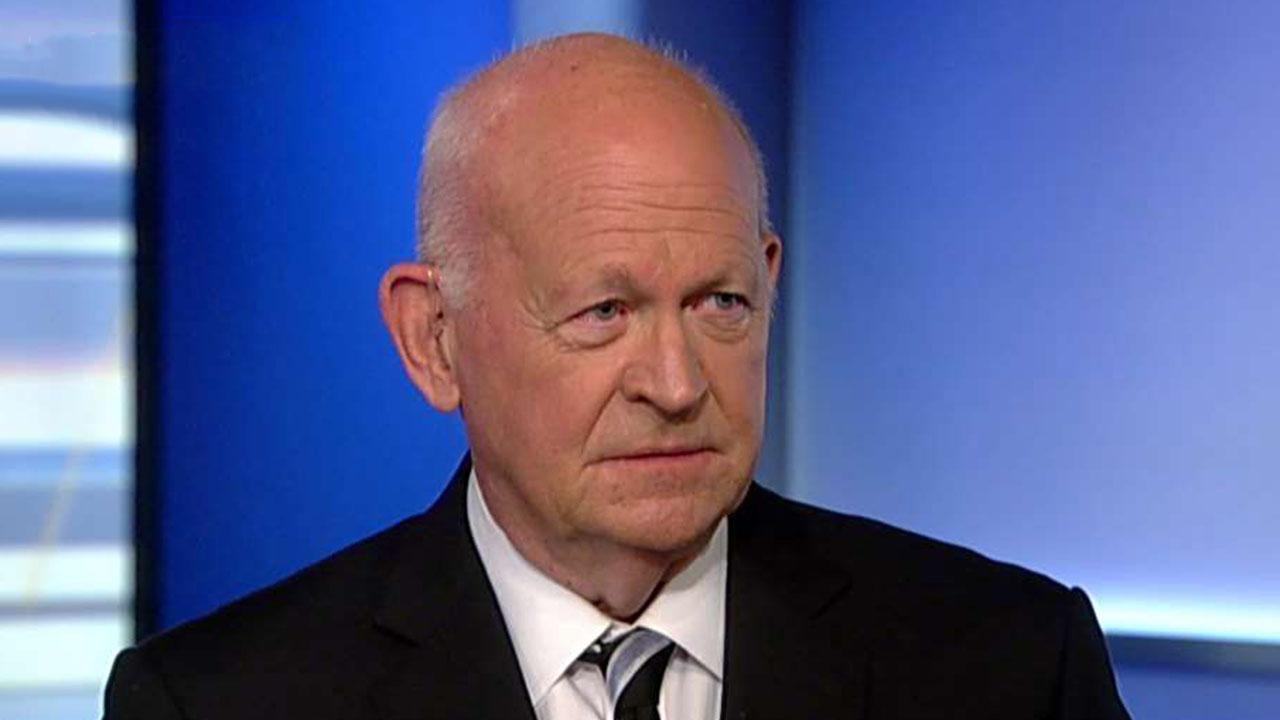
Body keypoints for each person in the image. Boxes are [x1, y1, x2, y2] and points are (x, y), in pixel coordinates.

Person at [104, 33, 1131, 719]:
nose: (676, 385)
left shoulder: (1008, 667)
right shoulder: (218, 703)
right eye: (604, 313)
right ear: (433, 339)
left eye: (719, 302)